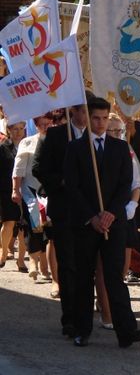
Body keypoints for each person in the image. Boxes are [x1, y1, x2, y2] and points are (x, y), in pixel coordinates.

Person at [63, 96, 140, 348]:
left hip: (114, 223)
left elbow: (125, 184)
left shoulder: (120, 148)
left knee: (114, 277)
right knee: (84, 277)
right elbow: (73, 188)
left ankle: (126, 331)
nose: (100, 123)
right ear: (87, 118)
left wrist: (111, 213)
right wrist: (93, 216)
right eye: (95, 118)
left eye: (103, 118)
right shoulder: (76, 149)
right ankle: (81, 329)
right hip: (86, 223)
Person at [33, 101, 89, 337]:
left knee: (86, 266)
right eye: (84, 110)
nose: (88, 116)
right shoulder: (54, 136)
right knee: (68, 266)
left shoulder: (99, 136)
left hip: (91, 212)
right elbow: (38, 168)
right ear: (73, 111)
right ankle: (70, 318)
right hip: (65, 210)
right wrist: (61, 182)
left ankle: (87, 316)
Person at [12, 114, 55, 288]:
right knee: (33, 226)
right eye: (42, 124)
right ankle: (33, 261)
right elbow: (19, 167)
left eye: (48, 124)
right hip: (30, 190)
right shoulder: (27, 142)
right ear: (36, 126)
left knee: (49, 230)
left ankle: (46, 267)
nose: (46, 127)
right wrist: (15, 189)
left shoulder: (57, 141)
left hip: (50, 191)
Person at [0, 122, 28, 271]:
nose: (18, 132)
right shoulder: (3, 147)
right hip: (6, 191)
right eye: (15, 129)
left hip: (26, 191)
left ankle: (21, 260)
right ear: (9, 130)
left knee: (23, 226)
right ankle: (3, 253)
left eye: (21, 129)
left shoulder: (29, 146)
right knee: (9, 223)